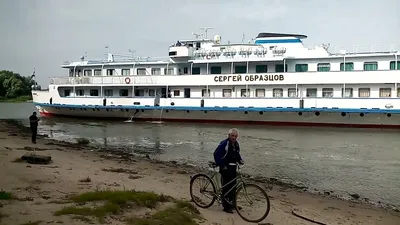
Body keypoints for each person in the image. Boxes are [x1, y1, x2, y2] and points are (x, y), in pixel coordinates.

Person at [213, 128, 244, 213]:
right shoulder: (224, 143)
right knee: (226, 187)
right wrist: (222, 165)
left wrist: (240, 160)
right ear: (229, 135)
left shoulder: (236, 144)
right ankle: (226, 207)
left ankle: (233, 204)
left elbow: (237, 154)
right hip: (225, 168)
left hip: (233, 168)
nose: (234, 137)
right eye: (232, 136)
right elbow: (216, 154)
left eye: (235, 136)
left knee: (233, 186)